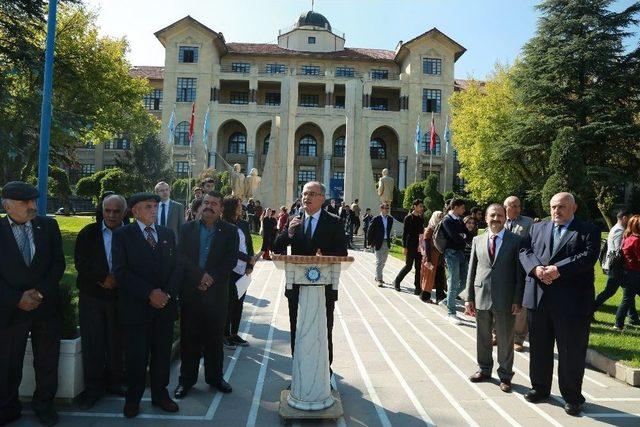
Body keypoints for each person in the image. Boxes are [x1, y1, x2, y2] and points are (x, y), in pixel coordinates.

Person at [519, 192, 600, 416]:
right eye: (554, 206)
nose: (557, 211)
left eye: (562, 207)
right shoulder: (537, 228)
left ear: (573, 208)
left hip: (571, 304)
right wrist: (536, 269)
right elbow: (525, 251)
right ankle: (540, 388)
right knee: (539, 348)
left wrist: (558, 270)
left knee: (570, 351)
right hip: (539, 298)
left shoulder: (588, 230)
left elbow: (588, 256)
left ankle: (573, 397)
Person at [0, 182, 65, 426]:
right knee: (7, 361)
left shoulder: (48, 225)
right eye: (25, 202)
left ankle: (44, 404)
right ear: (7, 205)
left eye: (34, 201)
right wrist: (17, 299)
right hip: (10, 310)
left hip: (44, 307)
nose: (32, 206)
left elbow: (58, 263)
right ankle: (7, 406)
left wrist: (38, 293)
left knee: (47, 359)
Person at [112, 193, 182, 418]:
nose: (154, 210)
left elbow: (176, 268)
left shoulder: (167, 234)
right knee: (136, 356)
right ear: (135, 212)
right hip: (136, 308)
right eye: (148, 207)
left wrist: (166, 294)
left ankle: (161, 395)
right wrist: (149, 293)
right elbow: (121, 272)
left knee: (162, 355)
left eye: (155, 206)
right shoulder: (123, 235)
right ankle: (133, 398)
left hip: (164, 308)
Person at [273, 181, 347, 372]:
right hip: (296, 287)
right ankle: (298, 369)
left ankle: (325, 373)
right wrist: (288, 233)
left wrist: (326, 257)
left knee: (324, 329)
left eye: (312, 194)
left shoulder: (334, 221)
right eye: (305, 193)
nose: (307, 197)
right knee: (297, 328)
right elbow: (276, 248)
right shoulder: (293, 219)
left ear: (322, 198)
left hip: (324, 287)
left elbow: (342, 252)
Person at [173, 192, 238, 399]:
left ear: (221, 209)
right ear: (200, 206)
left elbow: (231, 260)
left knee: (214, 339)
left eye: (214, 204)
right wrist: (200, 276)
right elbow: (181, 257)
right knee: (189, 338)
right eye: (206, 203)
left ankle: (215, 378)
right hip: (191, 292)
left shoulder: (230, 232)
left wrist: (211, 278)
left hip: (216, 294)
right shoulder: (186, 229)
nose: (209, 206)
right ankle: (186, 380)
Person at [74, 194, 127, 409]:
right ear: (102, 211)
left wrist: (118, 280)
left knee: (117, 342)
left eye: (116, 211)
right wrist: (103, 278)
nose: (112, 215)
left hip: (120, 297)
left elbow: (139, 262)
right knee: (93, 342)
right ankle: (93, 388)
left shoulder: (132, 234)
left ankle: (115, 382)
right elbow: (80, 262)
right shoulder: (88, 233)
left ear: (125, 212)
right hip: (93, 296)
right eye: (108, 211)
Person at [464, 204, 524, 393]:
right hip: (481, 295)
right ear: (486, 218)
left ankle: (505, 376)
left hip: (506, 298)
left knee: (506, 339)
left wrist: (517, 299)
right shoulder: (477, 240)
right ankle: (484, 370)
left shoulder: (516, 241)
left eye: (499, 215)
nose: (496, 218)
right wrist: (468, 297)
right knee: (483, 337)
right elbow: (472, 270)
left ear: (505, 218)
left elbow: (520, 274)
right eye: (492, 215)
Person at [222, 196, 255, 350]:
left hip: (243, 270)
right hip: (230, 270)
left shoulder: (244, 224)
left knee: (239, 303)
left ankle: (234, 333)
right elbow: (230, 250)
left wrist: (250, 265)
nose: (241, 207)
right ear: (231, 207)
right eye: (238, 205)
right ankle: (225, 334)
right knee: (228, 303)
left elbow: (249, 245)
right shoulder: (223, 225)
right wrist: (248, 258)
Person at [502, 196, 534, 352]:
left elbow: (531, 244)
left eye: (518, 206)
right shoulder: (499, 219)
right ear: (505, 207)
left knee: (521, 303)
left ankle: (518, 338)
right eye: (512, 205)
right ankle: (497, 333)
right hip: (501, 268)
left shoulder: (528, 223)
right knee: (500, 300)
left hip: (521, 268)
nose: (515, 208)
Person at [595, 209, 638, 324]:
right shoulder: (619, 231)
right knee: (609, 292)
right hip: (617, 268)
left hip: (618, 267)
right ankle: (589, 311)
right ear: (624, 218)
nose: (632, 220)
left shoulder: (617, 228)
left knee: (629, 292)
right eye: (630, 217)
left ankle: (633, 317)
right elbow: (621, 251)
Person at [442, 198, 470, 324]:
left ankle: (448, 300)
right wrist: (462, 236)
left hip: (460, 253)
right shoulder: (447, 220)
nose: (464, 210)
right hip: (451, 253)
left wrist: (462, 236)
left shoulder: (458, 219)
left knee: (464, 281)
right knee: (453, 282)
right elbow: (455, 237)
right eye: (462, 207)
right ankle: (451, 313)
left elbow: (467, 235)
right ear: (455, 207)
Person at [392, 200, 425, 295]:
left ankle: (417, 287)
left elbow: (422, 233)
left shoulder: (421, 218)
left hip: (419, 246)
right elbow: (405, 233)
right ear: (414, 206)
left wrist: (422, 246)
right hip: (410, 246)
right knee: (408, 266)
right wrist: (404, 247)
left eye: (422, 206)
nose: (421, 208)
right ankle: (397, 281)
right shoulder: (408, 218)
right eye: (420, 206)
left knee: (418, 267)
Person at [615, 215, 640, 330]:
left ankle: (632, 319)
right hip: (633, 273)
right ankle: (618, 324)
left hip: (627, 272)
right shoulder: (636, 240)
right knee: (627, 299)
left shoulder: (627, 237)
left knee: (628, 299)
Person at [419, 211, 446, 303]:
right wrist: (429, 260)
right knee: (428, 277)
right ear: (435, 218)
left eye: (442, 217)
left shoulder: (441, 229)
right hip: (431, 258)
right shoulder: (430, 229)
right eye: (439, 217)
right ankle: (424, 296)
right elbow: (427, 246)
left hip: (439, 258)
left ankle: (440, 296)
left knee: (439, 276)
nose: (441, 219)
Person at [367, 203, 394, 286]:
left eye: (387, 208)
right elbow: (370, 231)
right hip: (378, 242)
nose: (386, 210)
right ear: (381, 209)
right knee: (379, 261)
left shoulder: (390, 219)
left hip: (387, 242)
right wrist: (370, 242)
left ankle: (377, 275)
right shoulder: (376, 219)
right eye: (385, 208)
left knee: (383, 261)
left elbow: (389, 230)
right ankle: (379, 279)